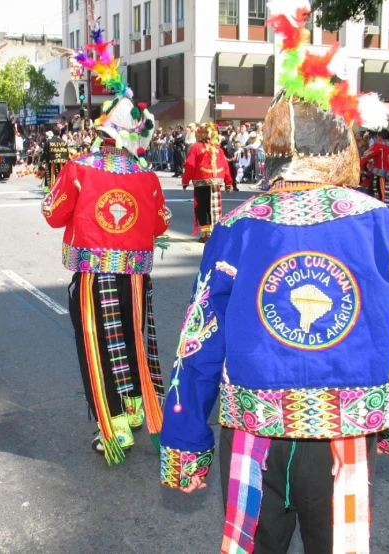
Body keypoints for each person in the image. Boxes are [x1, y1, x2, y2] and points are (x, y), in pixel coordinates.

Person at [160, 5, 389, 553]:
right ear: (341, 145)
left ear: (274, 148)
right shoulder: (377, 222)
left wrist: (186, 440)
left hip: (252, 437)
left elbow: (198, 343)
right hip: (344, 438)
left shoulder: (238, 226)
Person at [43, 29, 171, 464]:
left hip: (94, 275)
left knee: (98, 346)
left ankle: (113, 427)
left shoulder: (79, 168)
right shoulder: (147, 176)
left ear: (103, 131)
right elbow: (159, 224)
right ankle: (136, 410)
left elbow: (52, 213)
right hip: (135, 277)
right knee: (133, 341)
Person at [182, 123, 233, 243]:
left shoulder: (196, 147)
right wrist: (228, 182)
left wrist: (185, 181)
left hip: (202, 180)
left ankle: (206, 234)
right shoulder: (218, 149)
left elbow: (190, 165)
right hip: (216, 181)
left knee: (203, 207)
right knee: (213, 207)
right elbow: (225, 166)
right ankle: (214, 232)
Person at [360, 129, 389, 213]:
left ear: (379, 136)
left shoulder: (379, 145)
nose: (375, 139)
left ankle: (380, 214)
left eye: (376, 137)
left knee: (378, 196)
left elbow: (366, 156)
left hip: (380, 176)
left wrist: (358, 167)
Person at [41, 128, 69, 194]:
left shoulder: (48, 141)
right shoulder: (63, 142)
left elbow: (45, 152)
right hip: (62, 162)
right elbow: (66, 153)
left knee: (49, 175)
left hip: (51, 161)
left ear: (53, 133)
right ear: (59, 132)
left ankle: (48, 189)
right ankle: (61, 188)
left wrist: (41, 160)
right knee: (61, 175)